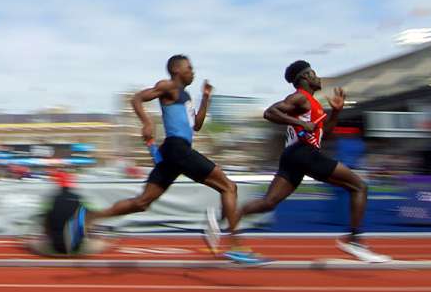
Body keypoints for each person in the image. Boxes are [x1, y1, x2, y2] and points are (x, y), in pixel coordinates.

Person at [88, 55, 264, 264]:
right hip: (177, 149)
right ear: (177, 70)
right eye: (189, 68)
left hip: (174, 153)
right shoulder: (168, 86)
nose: (193, 72)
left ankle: (91, 217)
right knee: (229, 187)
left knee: (142, 202)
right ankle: (236, 246)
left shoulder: (185, 95)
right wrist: (146, 123)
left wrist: (205, 98)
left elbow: (196, 125)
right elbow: (137, 98)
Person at [238, 60, 390, 262]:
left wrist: (336, 112)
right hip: (304, 153)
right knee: (359, 186)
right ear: (305, 77)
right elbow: (270, 112)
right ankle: (354, 240)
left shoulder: (313, 104)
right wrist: (300, 122)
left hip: (293, 155)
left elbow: (324, 134)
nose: (318, 77)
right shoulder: (301, 97)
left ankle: (227, 217)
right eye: (314, 73)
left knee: (269, 202)